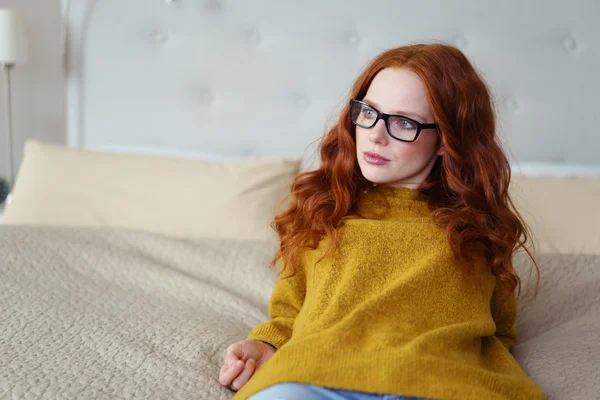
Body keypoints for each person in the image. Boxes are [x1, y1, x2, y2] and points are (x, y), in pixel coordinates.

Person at [218, 42, 545, 400]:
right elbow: (290, 312)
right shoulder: (325, 209)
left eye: (403, 122)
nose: (376, 134)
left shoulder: (475, 229)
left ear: (445, 140)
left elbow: (497, 330)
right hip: (314, 375)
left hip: (436, 379)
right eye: (369, 112)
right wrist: (265, 345)